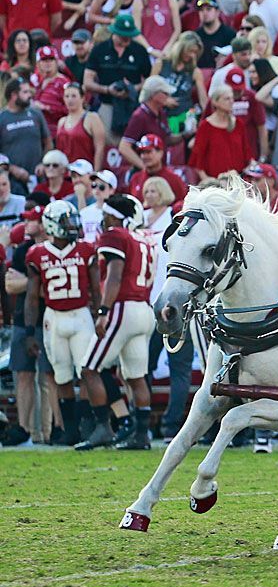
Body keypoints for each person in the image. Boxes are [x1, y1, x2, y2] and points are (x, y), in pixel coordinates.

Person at [26, 201, 107, 450]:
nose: (72, 226)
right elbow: (32, 296)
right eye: (66, 221)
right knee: (61, 374)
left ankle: (90, 426)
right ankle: (70, 430)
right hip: (54, 317)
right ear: (52, 224)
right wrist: (30, 332)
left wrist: (98, 315)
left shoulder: (85, 248)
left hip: (81, 314)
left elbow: (95, 288)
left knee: (86, 370)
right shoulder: (37, 253)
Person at [84, 193, 158, 451]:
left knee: (89, 367)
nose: (104, 218)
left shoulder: (116, 235)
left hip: (122, 307)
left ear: (118, 216)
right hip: (144, 309)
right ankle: (141, 435)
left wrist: (103, 310)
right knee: (136, 377)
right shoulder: (145, 238)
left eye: (108, 213)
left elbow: (114, 277)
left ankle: (104, 428)